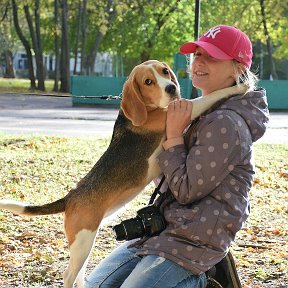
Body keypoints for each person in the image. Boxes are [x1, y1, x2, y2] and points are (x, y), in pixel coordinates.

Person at [84, 24, 269, 288]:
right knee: (95, 286)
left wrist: (172, 136)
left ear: (238, 68)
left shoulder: (226, 123)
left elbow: (186, 190)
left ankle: (204, 280)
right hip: (161, 228)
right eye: (197, 55)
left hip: (196, 239)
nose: (199, 62)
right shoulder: (198, 112)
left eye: (212, 57)